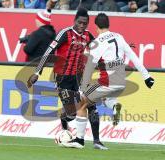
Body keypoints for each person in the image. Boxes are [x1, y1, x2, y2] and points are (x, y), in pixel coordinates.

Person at [62, 13, 155, 149]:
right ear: (108, 24)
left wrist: (83, 87)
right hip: (121, 83)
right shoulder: (119, 37)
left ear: (96, 27)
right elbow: (133, 55)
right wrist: (146, 77)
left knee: (81, 103)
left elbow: (89, 67)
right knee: (105, 98)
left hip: (107, 82)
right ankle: (114, 106)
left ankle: (79, 140)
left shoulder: (97, 42)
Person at [27, 8, 108, 150]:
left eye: (85, 23)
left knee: (92, 106)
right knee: (71, 114)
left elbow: (99, 53)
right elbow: (48, 51)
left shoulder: (89, 36)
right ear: (74, 21)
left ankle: (97, 141)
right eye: (79, 22)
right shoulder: (65, 33)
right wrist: (37, 72)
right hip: (63, 78)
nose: (82, 26)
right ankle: (64, 121)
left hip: (80, 79)